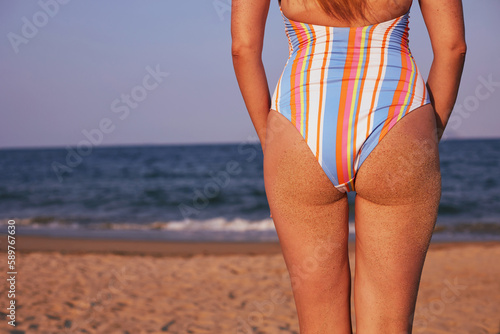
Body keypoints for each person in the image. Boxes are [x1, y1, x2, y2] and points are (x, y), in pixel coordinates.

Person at [231, 0, 466, 332]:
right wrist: (428, 135)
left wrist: (270, 141)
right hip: (398, 115)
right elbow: (453, 48)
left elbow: (243, 50)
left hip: (301, 120)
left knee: (319, 323)